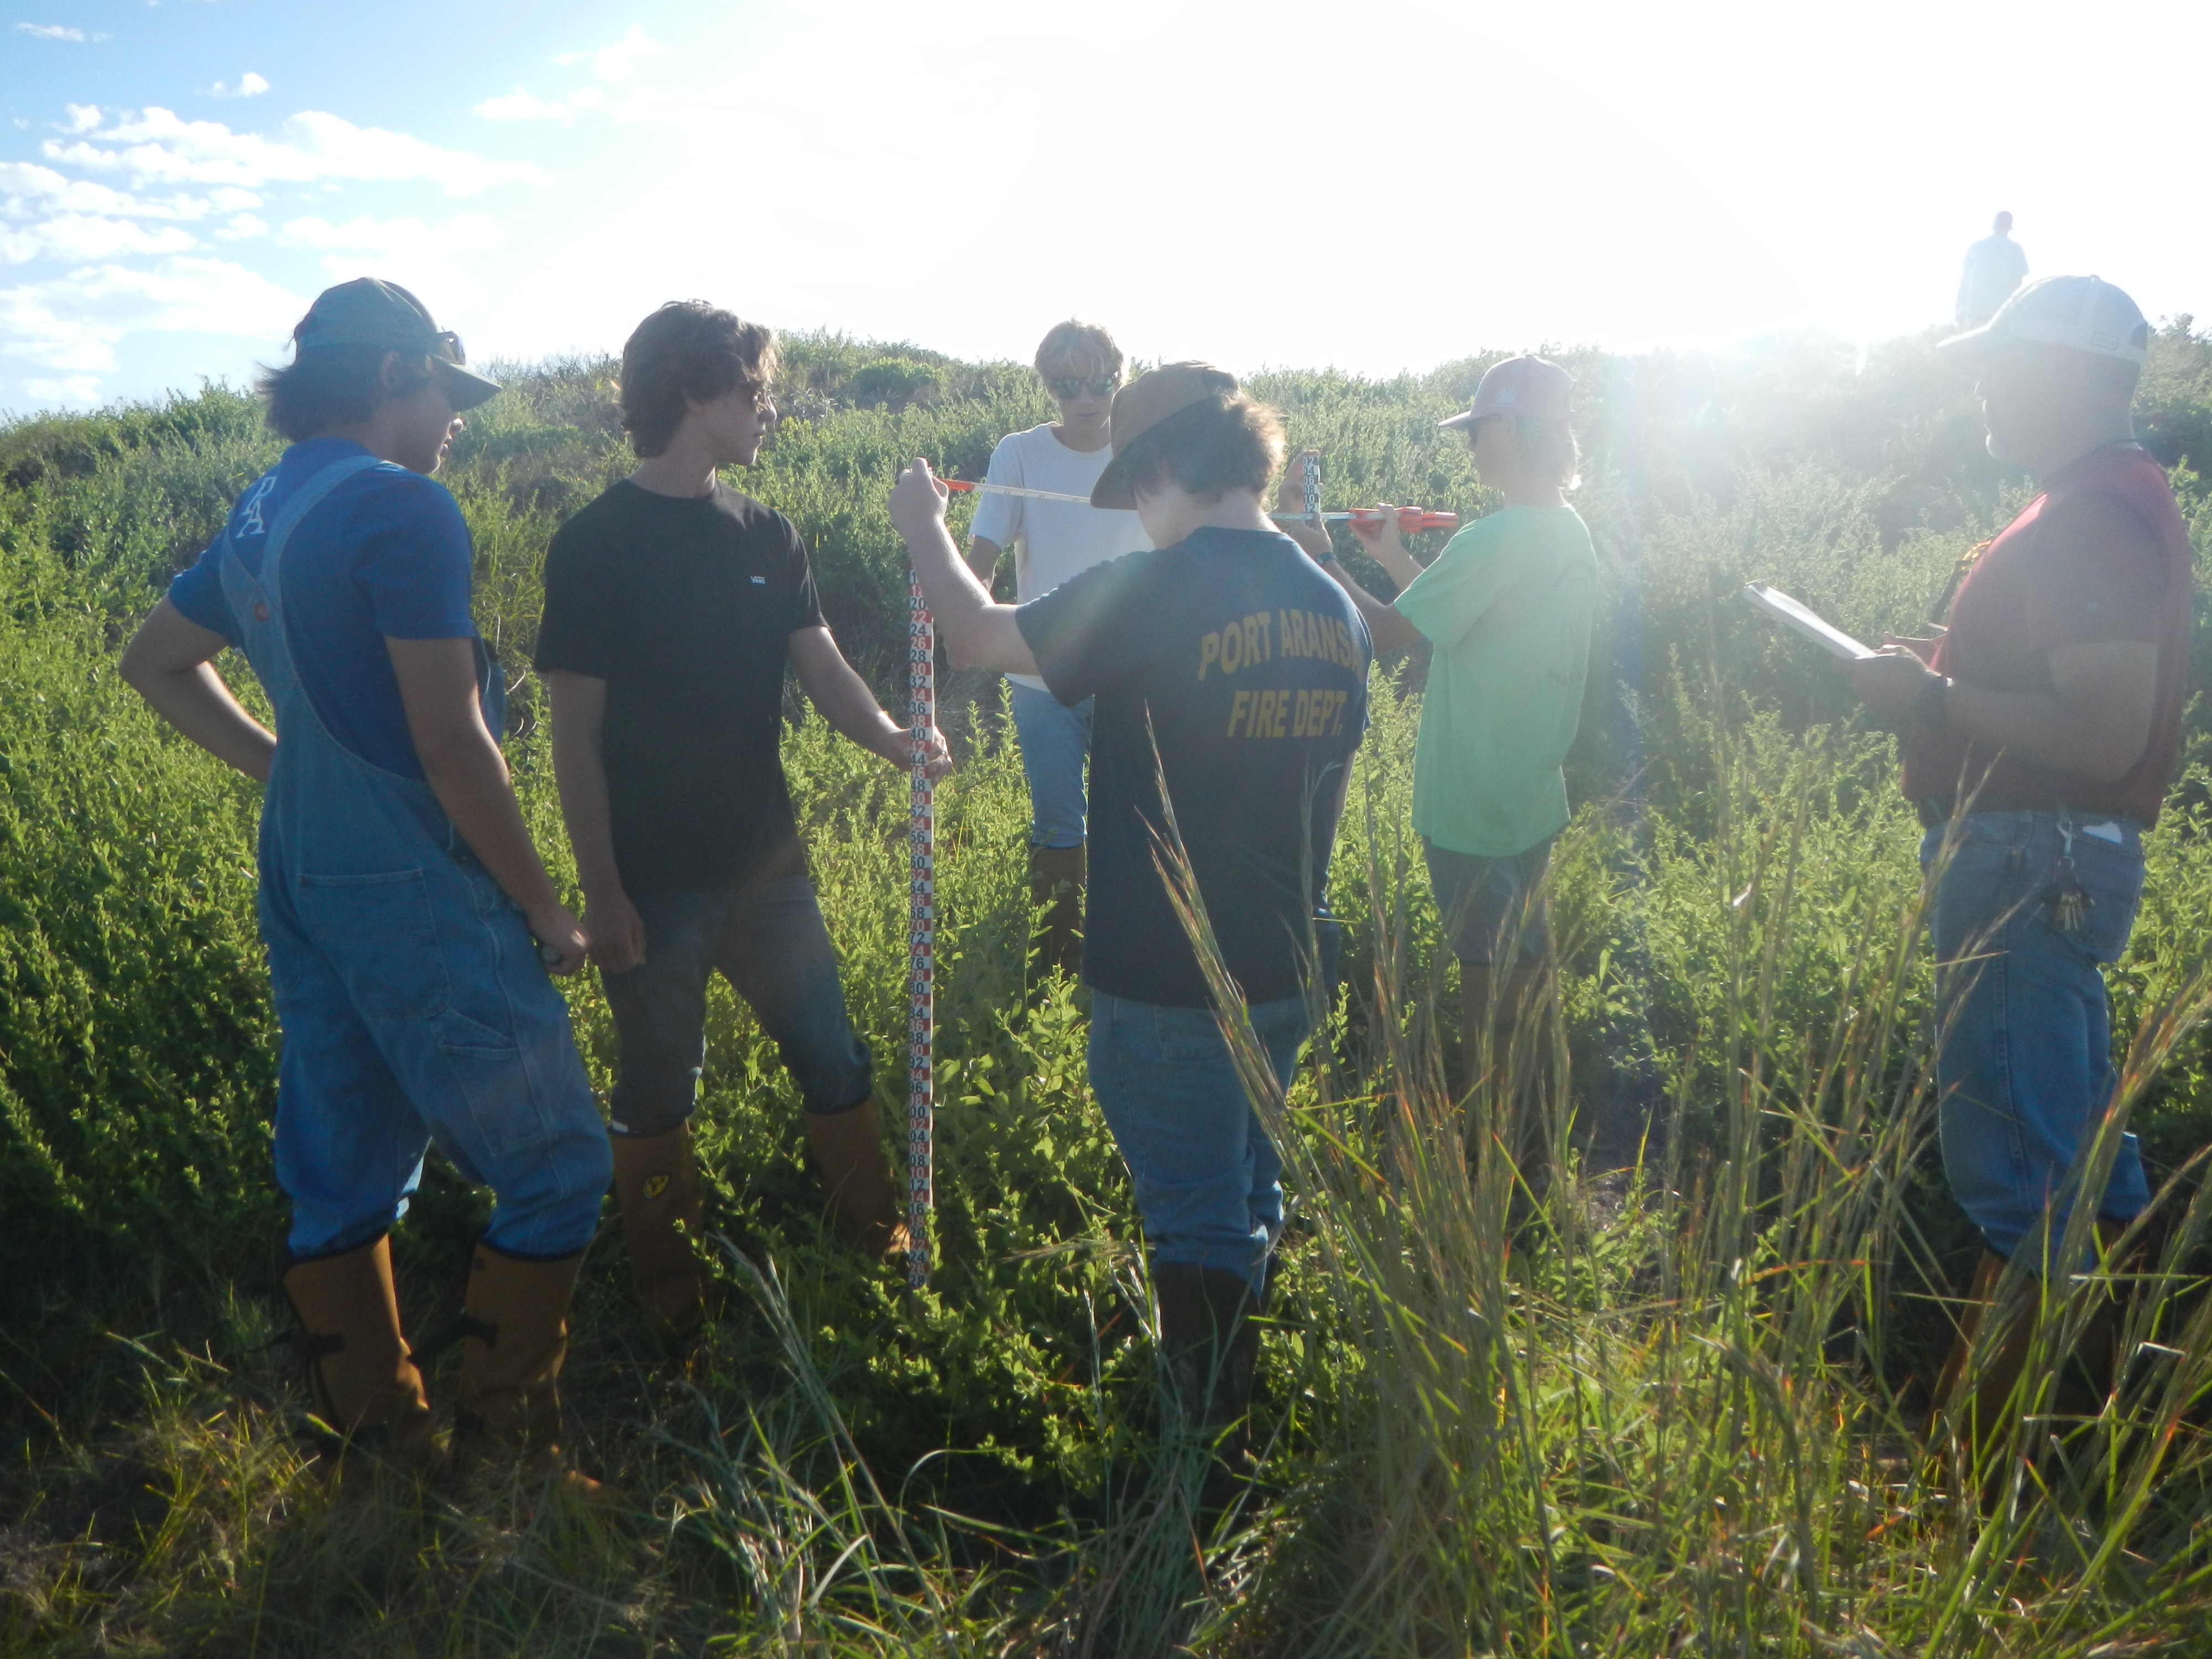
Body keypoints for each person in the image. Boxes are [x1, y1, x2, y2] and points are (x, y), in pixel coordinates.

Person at [119, 279, 612, 1480]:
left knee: (345, 1171)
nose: (458, 420)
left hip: (302, 863)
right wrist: (546, 907)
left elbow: (155, 660)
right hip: (406, 880)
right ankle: (509, 1462)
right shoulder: (404, 510)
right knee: (557, 1165)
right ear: (396, 373)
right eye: (449, 391)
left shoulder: (262, 509)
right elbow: (452, 742)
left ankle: (378, 1448)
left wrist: (280, 763)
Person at [889, 363, 1371, 1501]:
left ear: (1161, 471)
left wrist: (922, 525)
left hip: (1168, 978)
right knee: (1249, 1193)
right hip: (1288, 962)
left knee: (1195, 1217)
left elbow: (972, 635)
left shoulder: (1162, 588)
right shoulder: (1332, 603)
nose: (1134, 514)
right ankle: (1234, 1413)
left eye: (1134, 489)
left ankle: (1199, 1470)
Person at [535, 301, 950, 1342]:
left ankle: (875, 1250)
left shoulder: (769, 532)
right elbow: (573, 738)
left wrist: (899, 740)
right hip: (652, 883)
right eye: (756, 392)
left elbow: (825, 670)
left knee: (835, 1058)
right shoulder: (594, 545)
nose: (772, 411)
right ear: (692, 391)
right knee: (659, 1092)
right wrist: (603, 892)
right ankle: (673, 1307)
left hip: (769, 870)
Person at [1847, 275, 2190, 1480]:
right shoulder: (2090, 504)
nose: (1982, 386)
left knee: (2022, 1183)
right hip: (2038, 861)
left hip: (2023, 863)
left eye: (2000, 363)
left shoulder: (2089, 515)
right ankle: (2125, 1439)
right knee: (2074, 1158)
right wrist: (1940, 673)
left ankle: (1980, 1481)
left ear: (2061, 374)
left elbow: (2099, 731)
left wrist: (1929, 699)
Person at [1304, 357, 1598, 1086]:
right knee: (1526, 963)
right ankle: (1531, 1115)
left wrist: (1323, 560)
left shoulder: (1492, 540)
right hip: (1530, 793)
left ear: (1517, 431)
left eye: (1478, 430)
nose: (1469, 446)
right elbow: (1463, 616)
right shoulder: (1565, 532)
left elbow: (1385, 634)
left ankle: (1490, 1137)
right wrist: (1396, 556)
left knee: (1481, 979)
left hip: (1472, 802)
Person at [966, 320, 1147, 976]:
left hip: (1132, 679)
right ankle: (1056, 969)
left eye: (1099, 382)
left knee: (1139, 825)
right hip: (1041, 678)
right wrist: (959, 615)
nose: (1086, 398)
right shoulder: (1017, 454)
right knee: (1057, 827)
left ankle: (1130, 954)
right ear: (1048, 388)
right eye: (1067, 385)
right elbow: (980, 558)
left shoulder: (1145, 454)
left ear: (1119, 380)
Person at [1956, 211, 2030, 328]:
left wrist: (1959, 308)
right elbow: (2018, 285)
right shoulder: (2015, 249)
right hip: (2002, 316)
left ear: (1994, 225)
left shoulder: (1976, 247)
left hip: (1975, 313)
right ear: (2010, 227)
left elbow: (1964, 282)